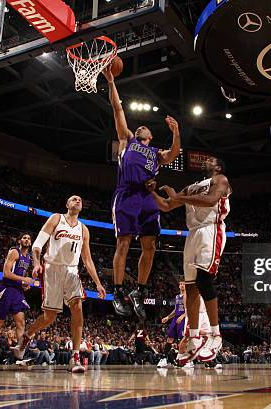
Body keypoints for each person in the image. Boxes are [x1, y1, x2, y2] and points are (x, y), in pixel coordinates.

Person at [102, 65, 181, 319]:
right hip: (127, 194)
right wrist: (112, 82)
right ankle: (117, 291)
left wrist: (177, 133)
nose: (141, 128)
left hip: (147, 198)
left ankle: (139, 290)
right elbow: (117, 109)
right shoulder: (126, 139)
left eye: (144, 129)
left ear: (150, 135)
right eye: (140, 128)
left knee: (151, 246)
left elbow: (174, 153)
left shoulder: (157, 154)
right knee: (123, 243)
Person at [147, 156, 231, 364]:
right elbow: (167, 205)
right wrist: (150, 192)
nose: (205, 162)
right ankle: (193, 337)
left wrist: (179, 197)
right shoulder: (191, 187)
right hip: (192, 233)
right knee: (191, 287)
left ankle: (215, 335)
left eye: (210, 160)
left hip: (211, 229)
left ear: (218, 166)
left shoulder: (220, 180)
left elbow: (212, 200)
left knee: (204, 280)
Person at [13, 195, 106, 373]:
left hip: (71, 270)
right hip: (51, 269)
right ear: (67, 204)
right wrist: (36, 263)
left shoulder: (84, 229)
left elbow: (87, 259)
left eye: (80, 199)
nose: (78, 200)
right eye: (73, 199)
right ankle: (27, 336)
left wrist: (98, 283)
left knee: (77, 306)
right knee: (50, 317)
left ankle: (75, 355)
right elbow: (37, 244)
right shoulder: (56, 218)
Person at [157, 281, 186, 368]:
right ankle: (164, 358)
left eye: (183, 284)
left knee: (183, 339)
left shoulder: (187, 295)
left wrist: (182, 316)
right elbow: (175, 309)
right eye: (180, 284)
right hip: (175, 318)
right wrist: (168, 317)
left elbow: (190, 309)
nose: (181, 285)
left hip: (184, 318)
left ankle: (186, 360)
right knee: (169, 338)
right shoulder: (177, 297)